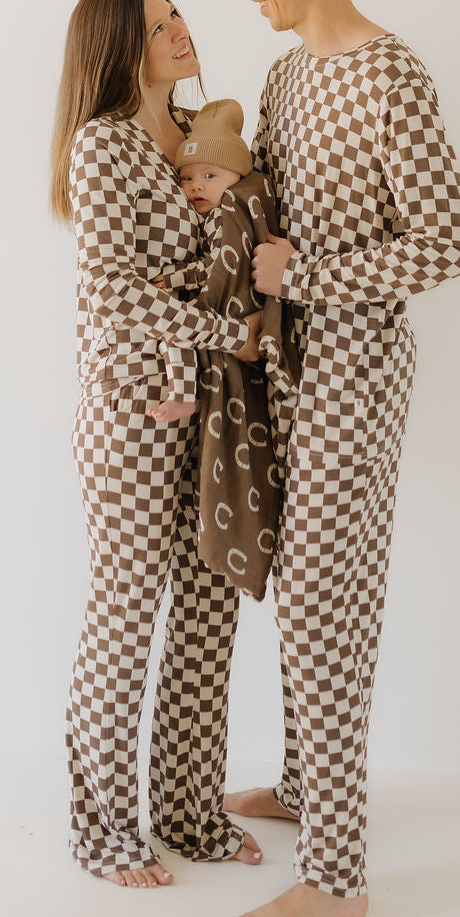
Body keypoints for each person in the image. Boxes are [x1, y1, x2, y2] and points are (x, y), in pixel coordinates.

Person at [220, 0, 460, 917]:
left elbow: (449, 243)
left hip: (356, 374)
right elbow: (274, 209)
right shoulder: (282, 78)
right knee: (300, 584)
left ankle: (337, 875)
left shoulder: (389, 78)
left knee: (330, 600)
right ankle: (305, 783)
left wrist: (303, 276)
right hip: (286, 370)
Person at [49, 0, 265, 888]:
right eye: (156, 27)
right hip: (133, 413)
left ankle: (187, 809)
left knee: (210, 614)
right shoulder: (103, 147)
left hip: (214, 413)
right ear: (114, 51)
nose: (181, 33)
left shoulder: (202, 140)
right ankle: (103, 829)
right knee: (127, 615)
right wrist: (226, 331)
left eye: (177, 16)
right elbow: (110, 293)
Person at [148, 99, 299, 601]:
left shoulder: (232, 212)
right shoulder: (232, 208)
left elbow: (219, 271)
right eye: (188, 178)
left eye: (208, 177)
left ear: (233, 176)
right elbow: (213, 261)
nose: (195, 188)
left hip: (229, 326)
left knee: (178, 327)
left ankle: (186, 394)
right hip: (230, 333)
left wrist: (179, 283)